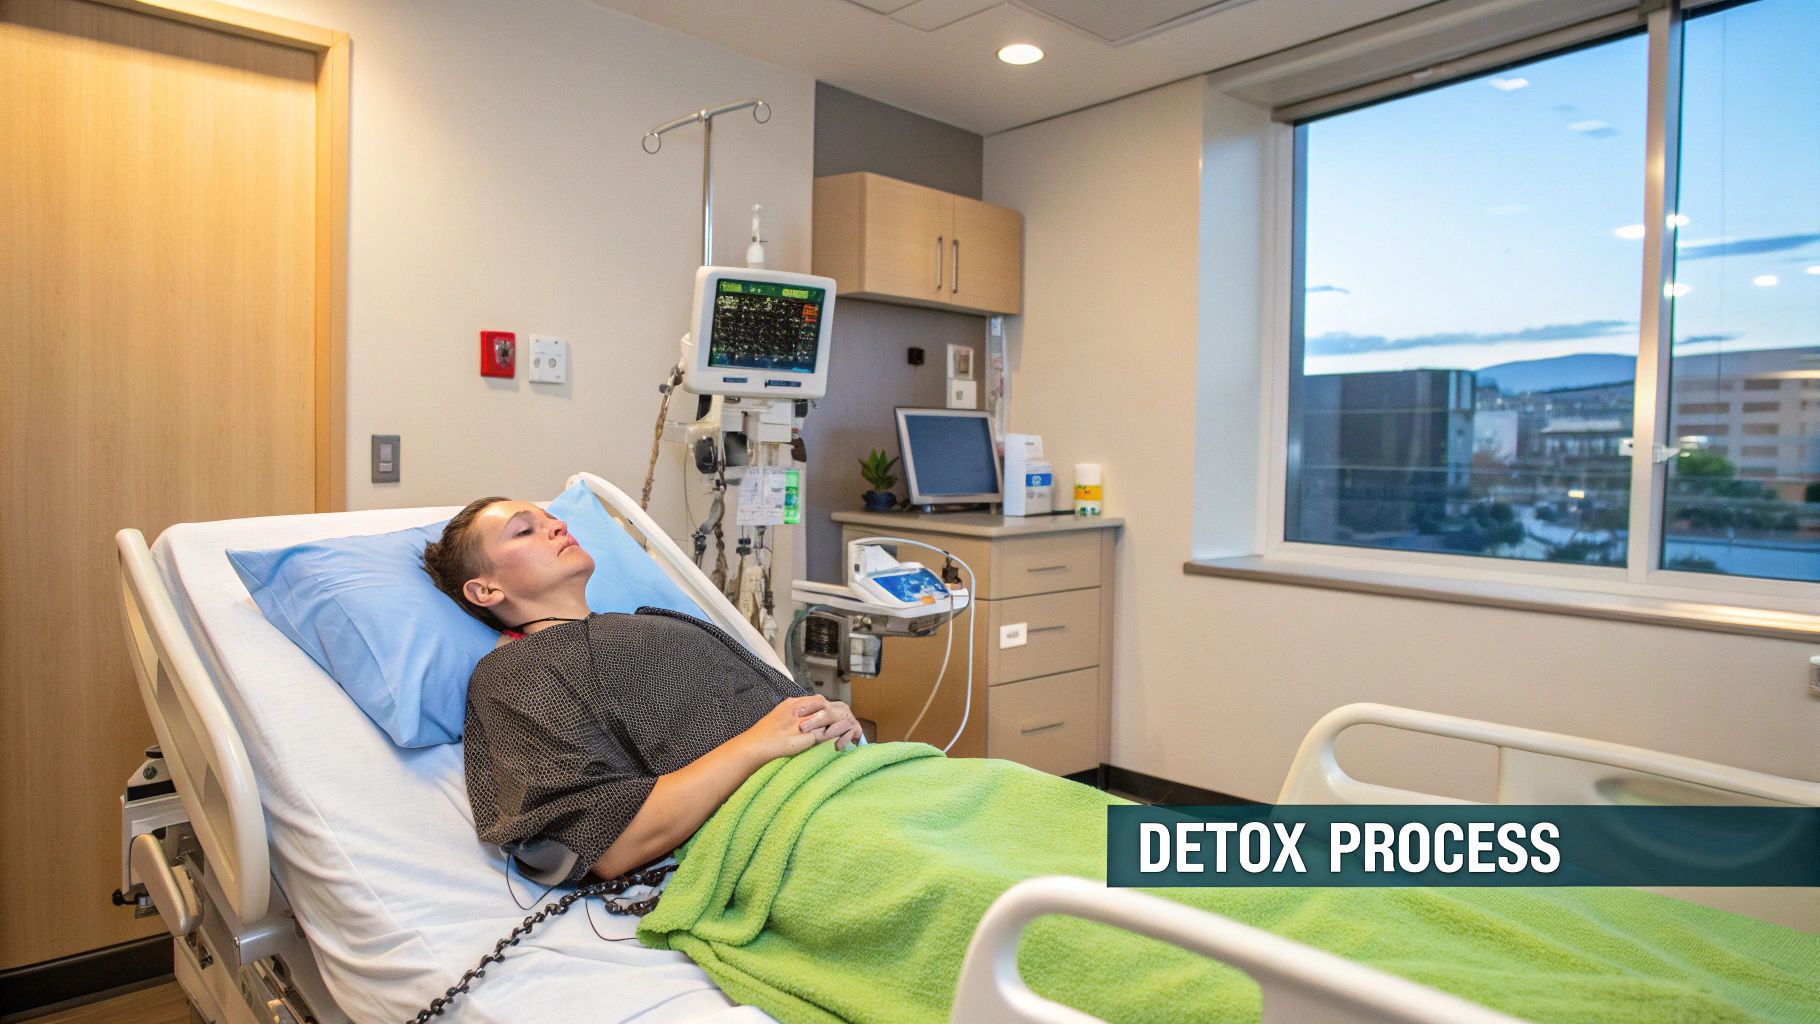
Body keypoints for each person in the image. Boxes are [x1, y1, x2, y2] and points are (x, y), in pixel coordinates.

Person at [422, 496, 863, 887]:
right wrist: (759, 744)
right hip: (793, 830)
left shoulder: (662, 621)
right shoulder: (517, 671)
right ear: (485, 590)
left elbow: (789, 713)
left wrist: (833, 719)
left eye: (552, 519)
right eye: (524, 530)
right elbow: (601, 842)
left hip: (859, 780)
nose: (558, 527)